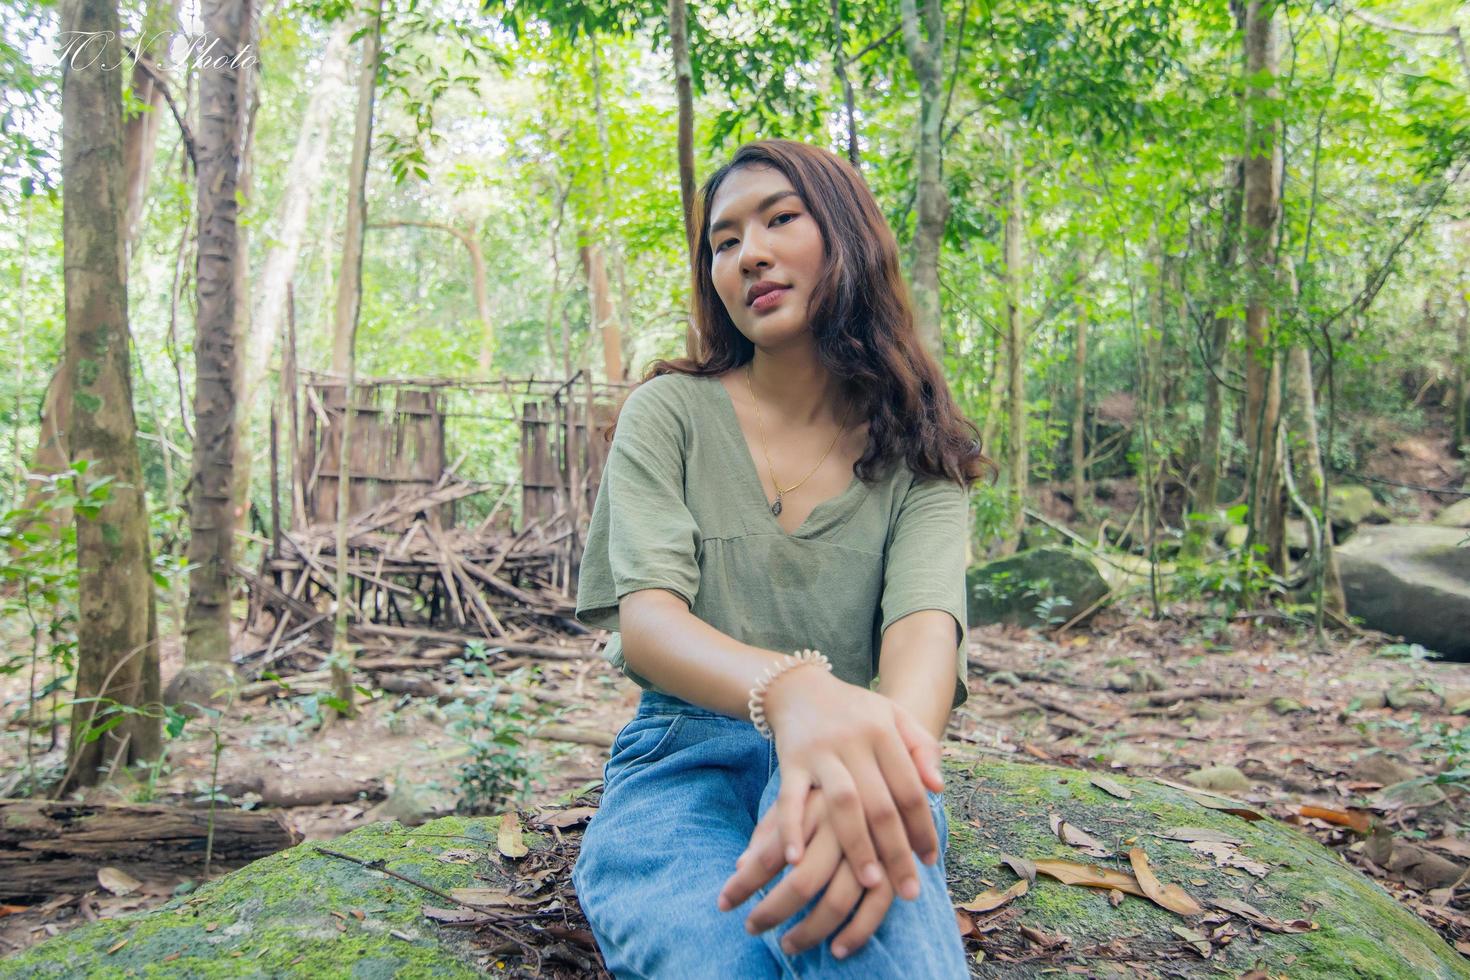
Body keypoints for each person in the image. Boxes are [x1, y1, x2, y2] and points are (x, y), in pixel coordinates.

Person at [571, 138, 990, 979]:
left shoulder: (923, 452)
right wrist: (791, 690)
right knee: (718, 963)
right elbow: (648, 623)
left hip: (860, 753)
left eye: (780, 219)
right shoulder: (669, 414)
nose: (748, 253)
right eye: (723, 242)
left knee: (863, 929)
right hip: (680, 758)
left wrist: (880, 764)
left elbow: (921, 640)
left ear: (848, 236)